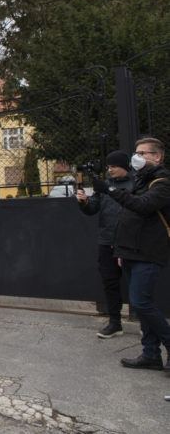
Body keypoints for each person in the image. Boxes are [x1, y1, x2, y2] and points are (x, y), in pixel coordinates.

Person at [92, 138, 170, 371]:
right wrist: (121, 250)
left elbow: (142, 206)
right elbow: (129, 217)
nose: (137, 157)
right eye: (136, 152)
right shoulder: (141, 180)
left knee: (141, 303)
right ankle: (150, 354)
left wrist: (110, 189)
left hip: (149, 251)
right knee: (143, 304)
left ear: (157, 156)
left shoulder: (162, 182)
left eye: (143, 153)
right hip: (130, 251)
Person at [76, 150, 133, 338]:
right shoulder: (104, 186)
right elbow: (92, 208)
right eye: (108, 166)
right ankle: (115, 322)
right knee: (109, 282)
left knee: (137, 283)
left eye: (114, 166)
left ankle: (146, 322)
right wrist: (84, 202)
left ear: (124, 166)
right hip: (107, 241)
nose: (110, 170)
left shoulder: (136, 184)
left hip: (131, 242)